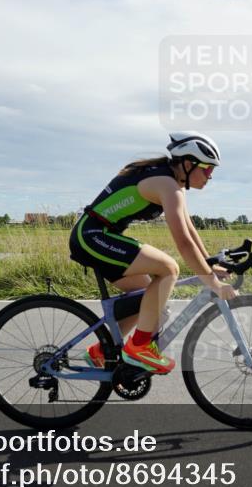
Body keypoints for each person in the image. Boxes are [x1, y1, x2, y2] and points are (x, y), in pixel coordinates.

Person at [68, 131, 238, 374]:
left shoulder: (174, 184)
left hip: (100, 236)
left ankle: (101, 352)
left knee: (153, 303)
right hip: (91, 236)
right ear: (188, 164)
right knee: (169, 268)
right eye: (207, 169)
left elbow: (189, 230)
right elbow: (183, 243)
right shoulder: (167, 185)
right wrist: (212, 283)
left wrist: (209, 264)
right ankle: (139, 347)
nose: (210, 176)